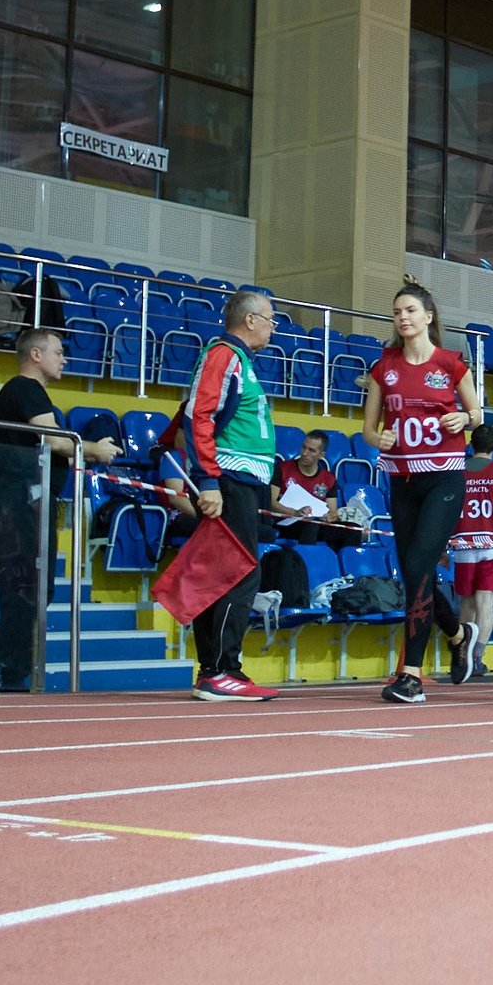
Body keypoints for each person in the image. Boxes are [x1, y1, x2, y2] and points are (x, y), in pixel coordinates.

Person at [0, 327, 119, 694]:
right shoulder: (25, 389)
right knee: (26, 590)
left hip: (24, 503)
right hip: (15, 506)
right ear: (35, 355)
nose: (63, 358)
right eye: (58, 351)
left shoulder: (28, 392)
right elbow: (53, 439)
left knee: (30, 591)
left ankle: (5, 671)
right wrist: (93, 449)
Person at [365, 283, 482, 705]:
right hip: (402, 480)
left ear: (428, 316)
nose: (403, 317)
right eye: (397, 311)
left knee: (418, 564)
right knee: (415, 572)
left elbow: (477, 415)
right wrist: (381, 438)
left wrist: (462, 421)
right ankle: (457, 634)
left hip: (444, 479)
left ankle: (410, 675)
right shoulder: (385, 366)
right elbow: (367, 430)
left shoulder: (451, 363)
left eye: (411, 310)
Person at [177, 297, 277, 700]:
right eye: (270, 321)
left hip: (240, 482)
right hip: (229, 479)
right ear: (250, 319)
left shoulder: (239, 360)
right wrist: (209, 482)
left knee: (228, 571)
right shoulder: (223, 355)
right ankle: (221, 669)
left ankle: (216, 670)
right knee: (237, 572)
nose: (273, 328)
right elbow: (197, 416)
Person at [450, 425, 493, 678]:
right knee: (485, 603)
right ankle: (477, 657)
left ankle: (462, 653)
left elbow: (447, 511)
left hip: (463, 545)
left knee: (466, 602)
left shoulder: (457, 471)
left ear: (470, 444)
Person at [271, 430, 364, 551]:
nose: (305, 453)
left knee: (353, 530)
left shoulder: (329, 479)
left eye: (311, 450)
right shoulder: (282, 469)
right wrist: (294, 513)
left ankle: (346, 567)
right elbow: (271, 503)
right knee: (311, 526)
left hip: (317, 524)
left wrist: (329, 517)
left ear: (321, 455)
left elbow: (332, 511)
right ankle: (307, 563)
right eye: (304, 447)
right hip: (287, 522)